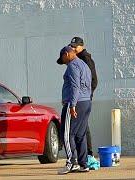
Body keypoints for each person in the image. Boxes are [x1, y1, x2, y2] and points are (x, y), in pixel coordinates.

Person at [56, 46, 92, 174]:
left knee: (66, 133)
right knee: (80, 134)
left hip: (75, 103)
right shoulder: (84, 64)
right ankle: (84, 164)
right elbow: (89, 83)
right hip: (86, 101)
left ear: (67, 54)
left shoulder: (72, 66)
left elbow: (75, 86)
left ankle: (72, 162)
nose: (64, 62)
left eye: (63, 59)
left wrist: (72, 105)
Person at [69, 37, 98, 157]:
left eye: (75, 46)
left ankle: (88, 154)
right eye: (72, 46)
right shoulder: (77, 59)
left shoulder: (85, 59)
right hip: (81, 98)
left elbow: (93, 80)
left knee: (82, 127)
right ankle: (86, 155)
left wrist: (86, 95)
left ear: (82, 46)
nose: (73, 48)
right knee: (83, 126)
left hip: (83, 98)